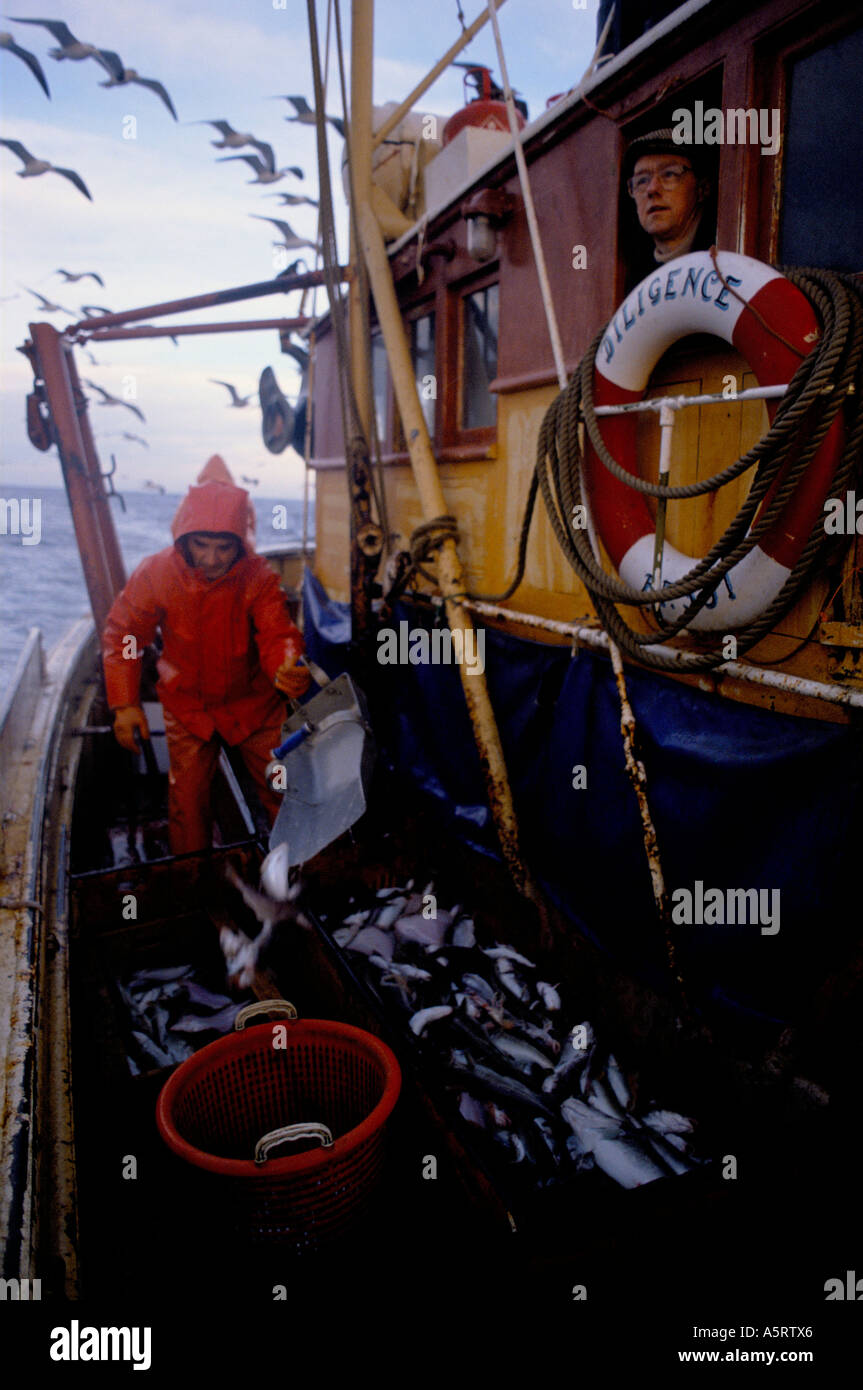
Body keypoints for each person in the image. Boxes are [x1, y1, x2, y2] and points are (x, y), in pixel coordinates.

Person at [102, 455, 310, 855]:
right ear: (184, 538)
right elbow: (126, 635)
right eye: (201, 545)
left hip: (254, 704)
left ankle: (299, 873)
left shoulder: (258, 577)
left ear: (240, 542)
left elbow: (277, 633)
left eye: (223, 547)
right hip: (188, 707)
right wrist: (125, 704)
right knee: (187, 803)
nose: (212, 559)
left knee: (283, 787)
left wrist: (287, 665)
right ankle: (191, 883)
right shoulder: (156, 573)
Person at [622, 128, 716, 290]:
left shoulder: (723, 254)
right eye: (642, 180)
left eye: (669, 174)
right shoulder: (634, 278)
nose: (652, 189)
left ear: (702, 189)